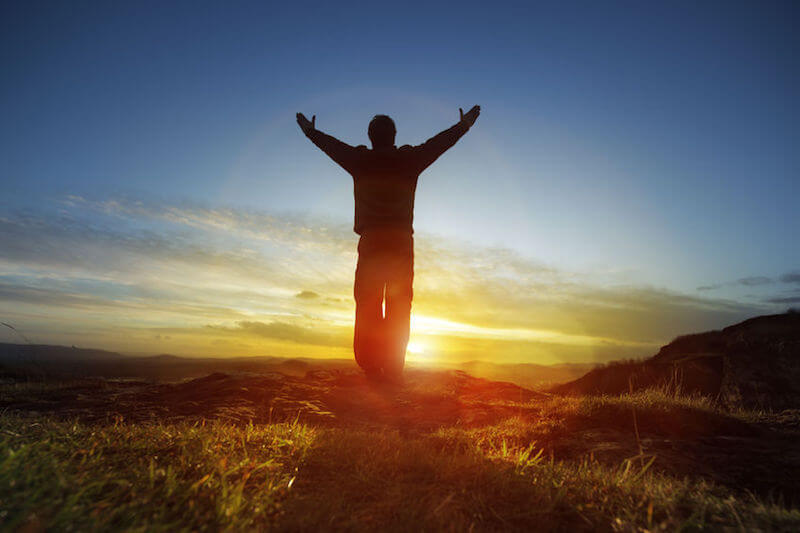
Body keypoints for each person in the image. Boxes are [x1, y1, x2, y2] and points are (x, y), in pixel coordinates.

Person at [296, 105, 480, 381]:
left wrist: (311, 132)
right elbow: (440, 144)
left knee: (368, 301)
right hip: (401, 242)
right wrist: (463, 125)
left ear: (371, 137)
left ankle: (371, 365)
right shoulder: (409, 159)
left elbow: (333, 147)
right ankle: (393, 367)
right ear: (394, 136)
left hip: (372, 241)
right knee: (399, 302)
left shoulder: (360, 160)